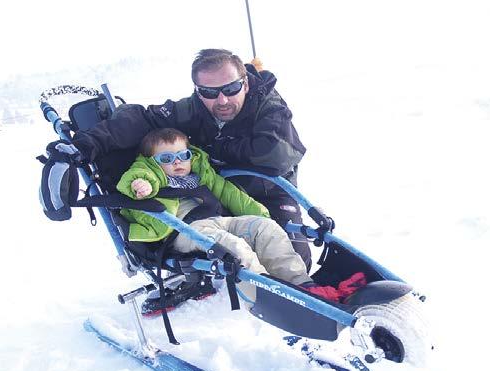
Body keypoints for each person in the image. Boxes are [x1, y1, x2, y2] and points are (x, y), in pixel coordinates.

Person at [69, 48, 311, 268]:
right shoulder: (193, 109)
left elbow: (274, 154)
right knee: (235, 251)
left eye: (231, 88)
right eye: (209, 92)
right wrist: (83, 145)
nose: (222, 100)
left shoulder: (268, 105)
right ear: (198, 91)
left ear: (245, 84)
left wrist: (212, 150)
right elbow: (143, 118)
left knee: (295, 258)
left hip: (267, 191)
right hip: (214, 196)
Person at [117, 128, 345, 301]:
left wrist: (260, 215)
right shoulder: (150, 176)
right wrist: (141, 184)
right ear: (152, 162)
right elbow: (133, 178)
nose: (177, 162)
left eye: (183, 155)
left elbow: (230, 194)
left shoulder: (201, 174)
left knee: (266, 229)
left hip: (218, 221)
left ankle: (303, 285)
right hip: (182, 233)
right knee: (230, 246)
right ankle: (266, 291)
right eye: (166, 159)